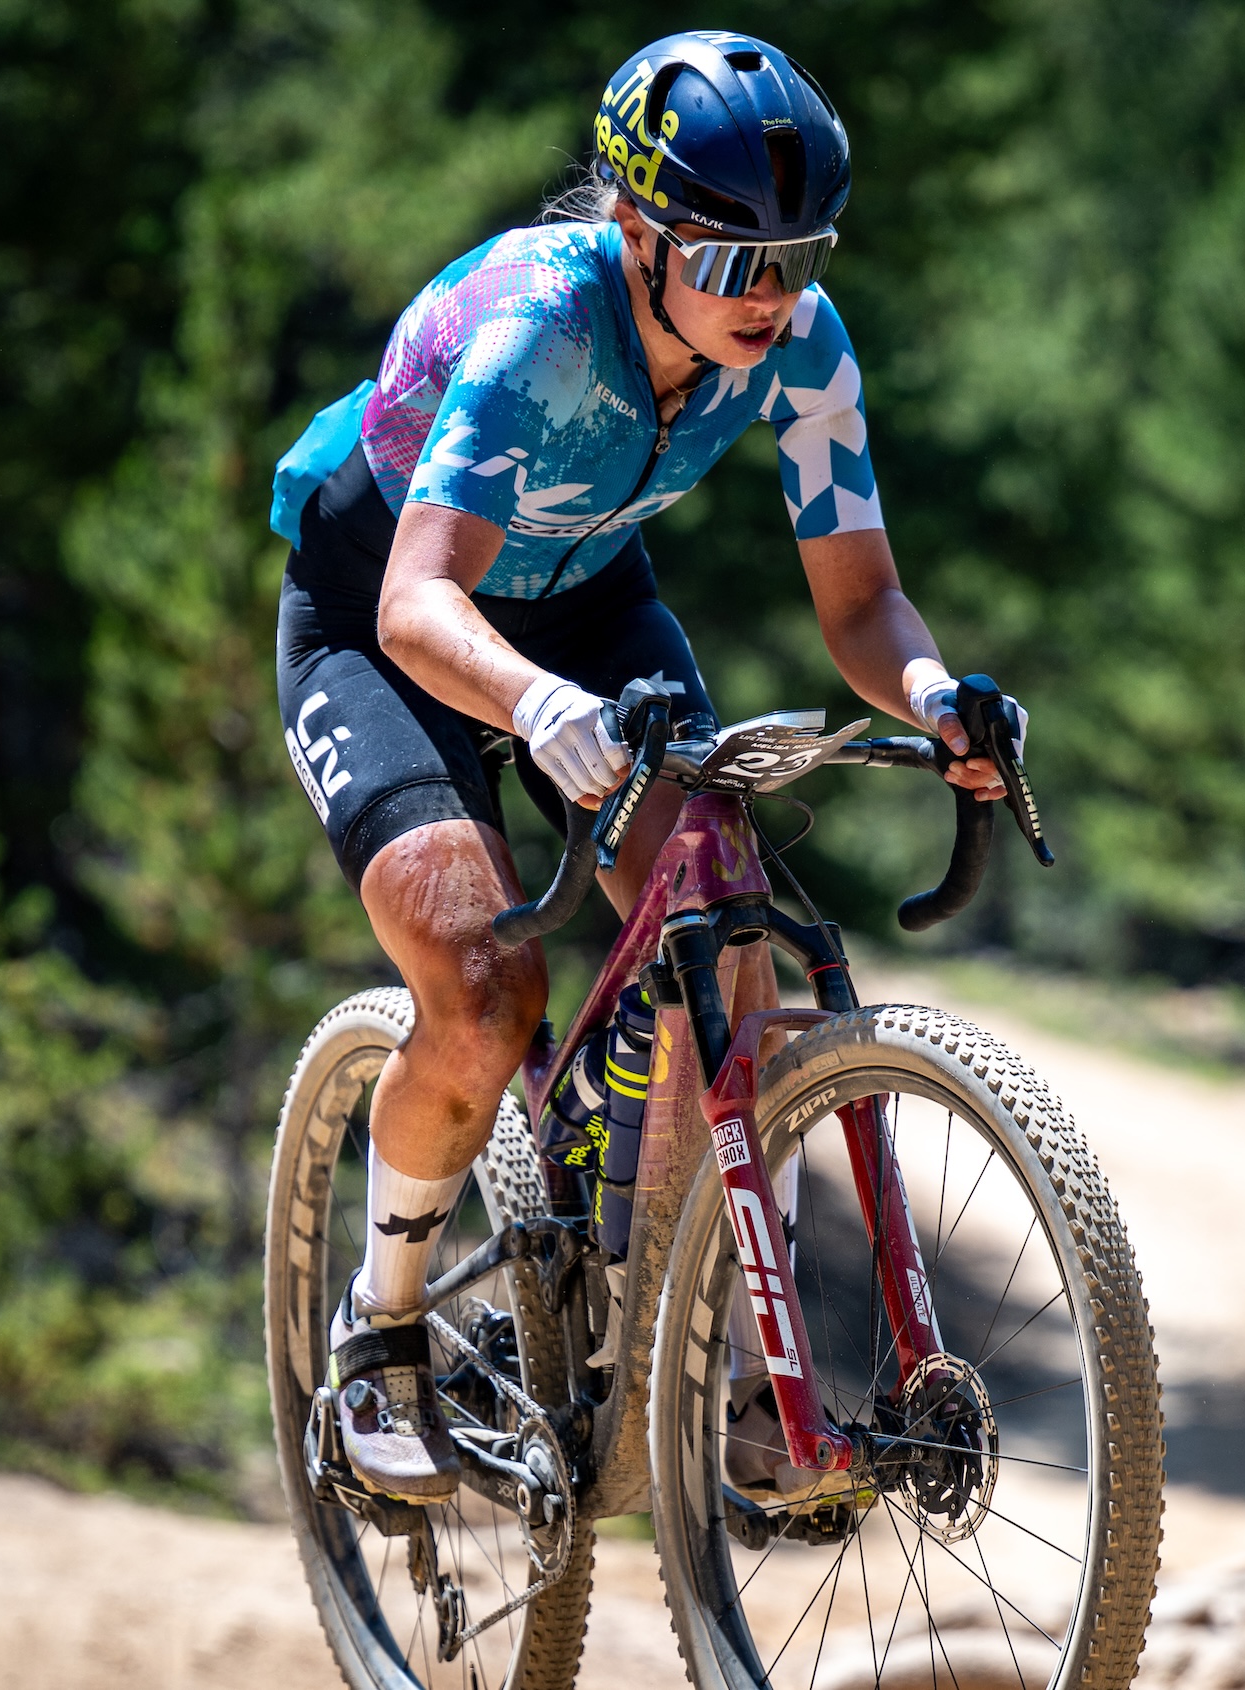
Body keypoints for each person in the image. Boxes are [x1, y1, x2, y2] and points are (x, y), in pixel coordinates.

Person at [271, 30, 1012, 1503]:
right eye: (739, 262)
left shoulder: (805, 345)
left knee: (732, 935)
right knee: (482, 990)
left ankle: (734, 1374)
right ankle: (380, 1337)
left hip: (590, 603)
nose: (777, 296)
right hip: (382, 608)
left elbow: (861, 603)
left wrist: (933, 691)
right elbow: (421, 605)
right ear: (634, 228)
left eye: (801, 257)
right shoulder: (541, 325)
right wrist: (538, 706)